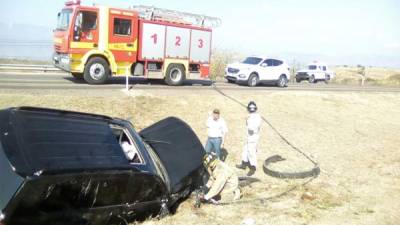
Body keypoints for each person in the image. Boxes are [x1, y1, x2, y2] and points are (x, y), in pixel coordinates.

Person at [236, 101, 262, 176]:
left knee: (251, 152)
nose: (251, 110)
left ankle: (253, 167)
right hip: (249, 136)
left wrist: (247, 119)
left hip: (253, 136)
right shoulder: (251, 116)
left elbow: (252, 128)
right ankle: (244, 164)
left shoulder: (256, 117)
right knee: (245, 150)